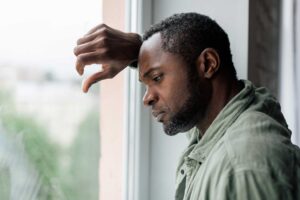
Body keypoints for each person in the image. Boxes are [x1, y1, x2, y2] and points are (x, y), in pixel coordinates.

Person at [74, 13, 300, 200]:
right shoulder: (219, 123)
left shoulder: (243, 166)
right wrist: (139, 51)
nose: (147, 98)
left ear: (208, 64)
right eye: (146, 83)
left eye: (157, 78)